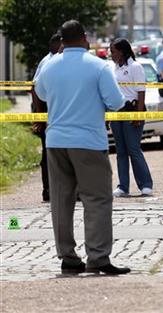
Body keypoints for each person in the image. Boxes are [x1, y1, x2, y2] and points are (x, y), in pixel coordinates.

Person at [34, 20, 130, 275]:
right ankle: (98, 256)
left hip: (55, 142)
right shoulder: (98, 67)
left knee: (61, 201)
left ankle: (67, 256)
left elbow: (41, 95)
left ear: (62, 40)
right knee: (96, 199)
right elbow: (115, 102)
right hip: (88, 141)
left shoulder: (49, 65)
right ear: (85, 38)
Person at [109, 38, 153, 198]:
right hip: (117, 112)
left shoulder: (135, 67)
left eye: (113, 51)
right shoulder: (113, 68)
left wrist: (138, 114)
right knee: (120, 151)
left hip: (132, 109)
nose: (111, 54)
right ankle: (123, 186)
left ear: (122, 51)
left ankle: (146, 184)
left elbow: (141, 92)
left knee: (133, 149)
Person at [31, 33, 62, 202]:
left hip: (58, 113)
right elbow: (34, 89)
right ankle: (48, 190)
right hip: (49, 114)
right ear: (57, 45)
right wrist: (39, 116)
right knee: (49, 154)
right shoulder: (48, 62)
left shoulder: (59, 61)